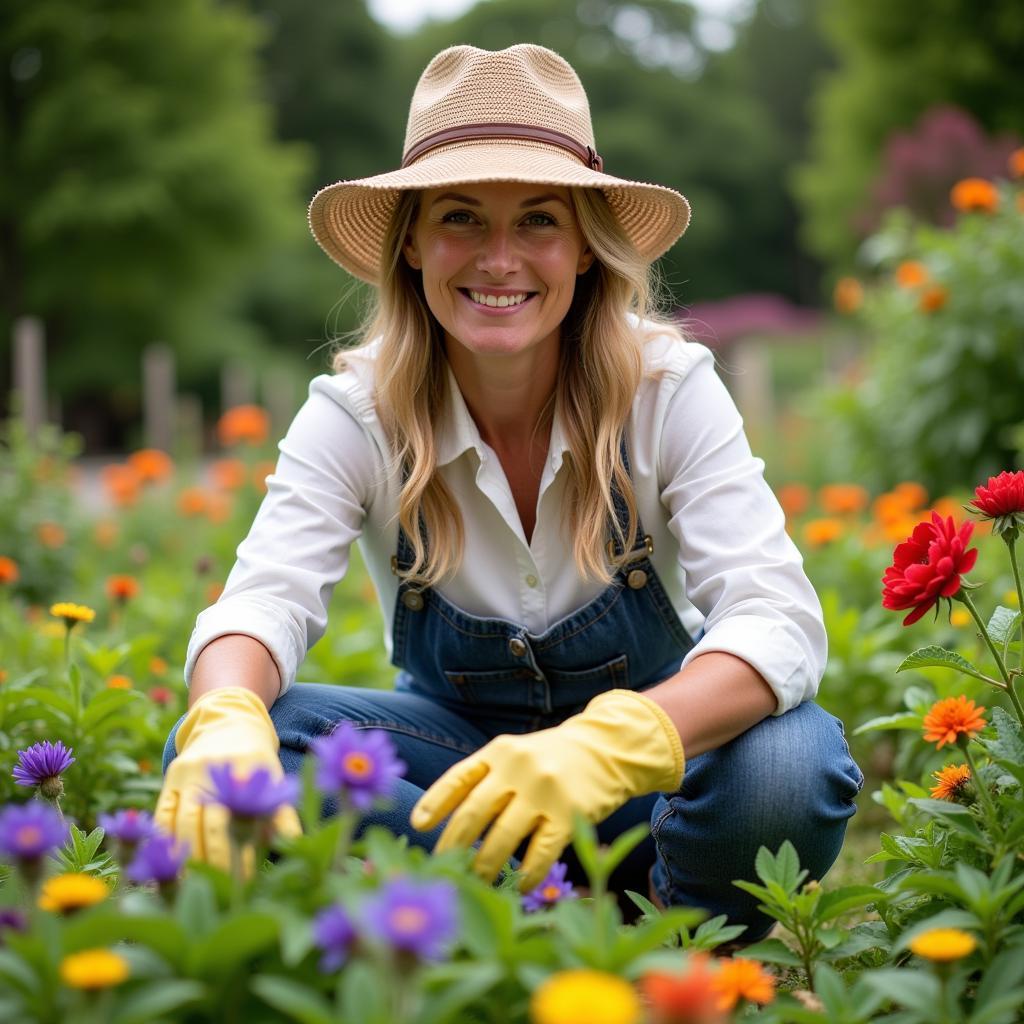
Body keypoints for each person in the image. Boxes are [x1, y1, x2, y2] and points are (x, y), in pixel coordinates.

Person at [156, 43, 863, 938]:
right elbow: (264, 600)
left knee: (786, 764)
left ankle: (665, 944)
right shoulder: (357, 412)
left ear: (584, 246)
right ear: (410, 240)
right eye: (460, 217)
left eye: (537, 220)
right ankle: (503, 925)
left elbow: (776, 617)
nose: (499, 259)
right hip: (450, 773)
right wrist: (224, 714)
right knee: (231, 748)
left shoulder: (667, 388)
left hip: (647, 794)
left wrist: (610, 746)